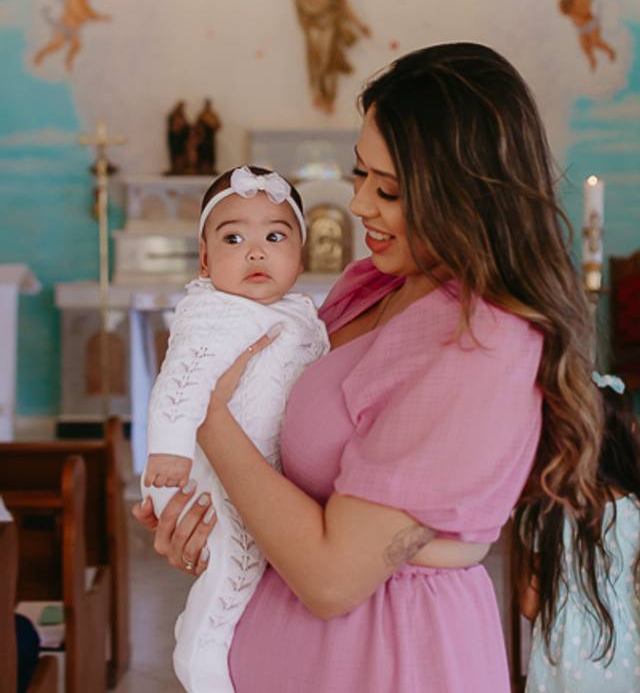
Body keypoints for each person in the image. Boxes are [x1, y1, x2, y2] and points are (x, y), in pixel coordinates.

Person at [134, 43, 605, 692]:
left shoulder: (483, 340)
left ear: (467, 195)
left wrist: (209, 418)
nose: (358, 207)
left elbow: (331, 579)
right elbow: (289, 479)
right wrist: (212, 523)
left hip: (390, 660)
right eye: (360, 176)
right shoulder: (375, 283)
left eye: (388, 190)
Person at [142, 164, 329, 692]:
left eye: (274, 236)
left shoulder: (295, 312)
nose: (255, 251)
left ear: (300, 254)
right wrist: (170, 452)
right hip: (208, 478)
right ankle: (200, 665)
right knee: (233, 573)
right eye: (233, 237)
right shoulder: (213, 312)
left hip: (256, 473)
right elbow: (181, 380)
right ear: (204, 259)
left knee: (256, 573)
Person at [517, 374, 640, 691]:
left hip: (559, 661)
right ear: (630, 434)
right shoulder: (636, 512)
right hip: (627, 658)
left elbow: (529, 606)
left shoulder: (544, 511)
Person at [278, 0, 371, 114]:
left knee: (328, 61)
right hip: (312, 26)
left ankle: (329, 97)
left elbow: (344, 7)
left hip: (330, 25)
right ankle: (317, 94)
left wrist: (360, 25)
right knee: (314, 61)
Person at [34, 0, 110, 72]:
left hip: (74, 30)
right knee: (57, 45)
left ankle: (68, 61)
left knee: (77, 45)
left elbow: (91, 12)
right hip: (63, 27)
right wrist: (86, 17)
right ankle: (41, 54)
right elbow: (78, 12)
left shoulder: (84, 2)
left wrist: (100, 17)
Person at [558, 0, 616, 71]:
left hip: (591, 24)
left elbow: (584, 12)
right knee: (584, 46)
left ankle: (609, 51)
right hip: (581, 28)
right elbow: (564, 11)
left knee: (595, 42)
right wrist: (564, 8)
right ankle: (592, 59)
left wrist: (573, 10)